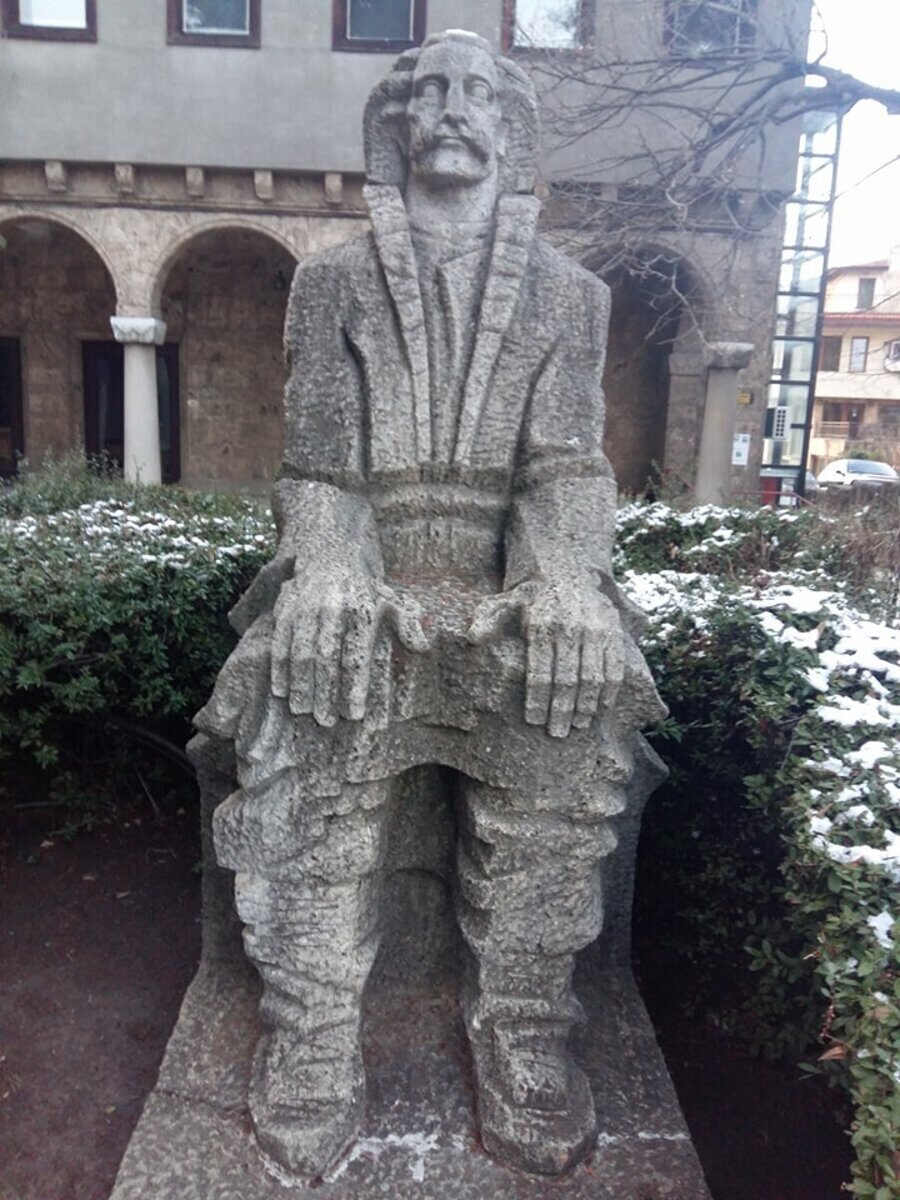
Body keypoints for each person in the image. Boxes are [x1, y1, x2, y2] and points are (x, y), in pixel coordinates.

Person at [196, 28, 664, 1180]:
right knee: (307, 696)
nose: (452, 107)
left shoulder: (571, 298)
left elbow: (567, 472)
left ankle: (524, 1032)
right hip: (367, 565)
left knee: (569, 707)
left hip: (508, 585)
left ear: (511, 130)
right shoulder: (330, 284)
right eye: (429, 91)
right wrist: (333, 572)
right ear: (394, 126)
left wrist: (562, 581)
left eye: (478, 92)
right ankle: (311, 1033)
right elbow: (318, 474)